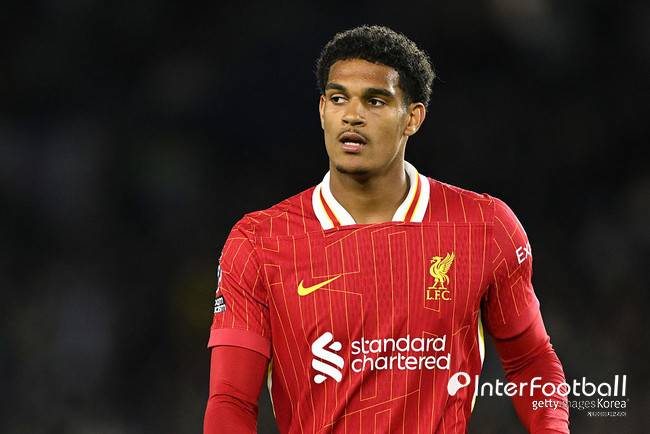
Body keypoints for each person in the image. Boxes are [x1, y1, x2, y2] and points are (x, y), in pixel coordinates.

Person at [204, 25, 569, 434]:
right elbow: (231, 399)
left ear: (412, 117)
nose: (352, 115)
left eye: (375, 101)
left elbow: (531, 360)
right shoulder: (260, 241)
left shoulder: (484, 227)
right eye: (338, 98)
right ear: (322, 110)